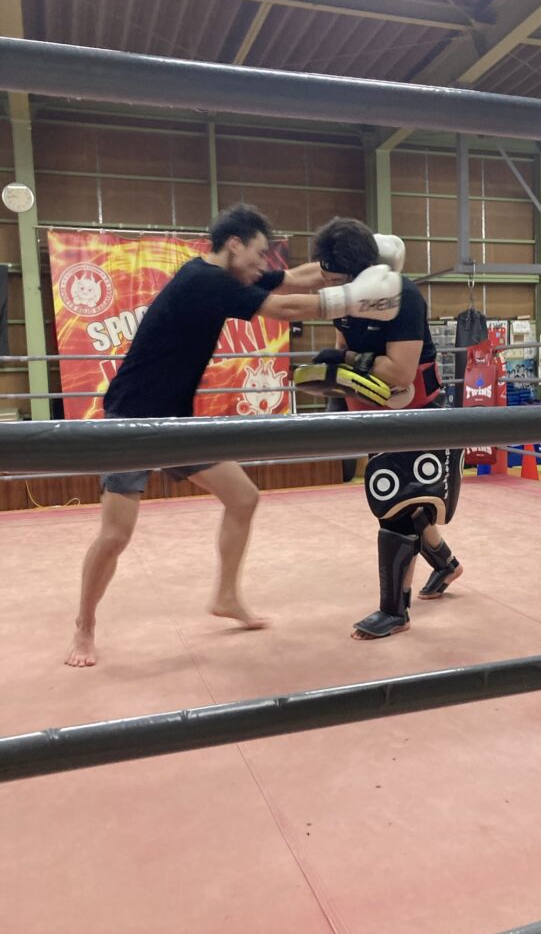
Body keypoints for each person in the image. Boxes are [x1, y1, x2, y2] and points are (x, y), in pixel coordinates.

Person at [67, 203, 401, 667]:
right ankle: (84, 626)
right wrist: (353, 299)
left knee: (243, 497)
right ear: (234, 244)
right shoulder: (204, 281)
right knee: (115, 536)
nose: (264, 266)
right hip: (131, 421)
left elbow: (294, 279)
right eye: (260, 255)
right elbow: (284, 306)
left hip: (176, 422)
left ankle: (225, 596)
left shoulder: (228, 276)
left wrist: (349, 265)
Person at [299, 217, 464, 641]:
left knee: (397, 505)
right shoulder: (343, 300)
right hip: (374, 411)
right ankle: (446, 565)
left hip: (417, 412)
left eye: (335, 279)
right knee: (403, 503)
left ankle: (395, 612)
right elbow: (344, 348)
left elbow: (400, 371)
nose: (329, 285)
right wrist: (336, 387)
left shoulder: (402, 296)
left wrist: (346, 360)